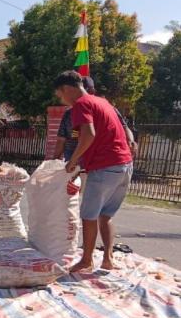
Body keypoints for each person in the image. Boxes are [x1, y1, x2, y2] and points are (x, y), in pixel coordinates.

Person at [54, 70, 134, 273]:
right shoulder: (103, 102)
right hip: (124, 166)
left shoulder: (81, 104)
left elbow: (88, 134)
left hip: (105, 166)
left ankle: (86, 260)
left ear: (67, 89)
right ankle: (107, 259)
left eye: (60, 95)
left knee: (89, 215)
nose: (62, 100)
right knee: (105, 216)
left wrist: (72, 161)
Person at [54, 76, 136, 161]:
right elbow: (73, 133)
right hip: (75, 150)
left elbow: (123, 126)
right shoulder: (71, 112)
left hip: (99, 155)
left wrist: (131, 140)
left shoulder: (105, 106)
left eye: (91, 91)